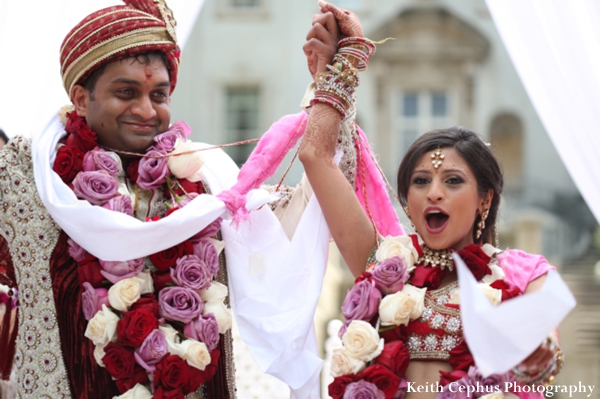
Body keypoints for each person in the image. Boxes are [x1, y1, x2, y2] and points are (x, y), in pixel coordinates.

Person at [0, 1, 364, 398]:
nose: (145, 110)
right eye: (126, 92)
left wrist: (333, 87)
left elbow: (311, 212)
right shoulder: (26, 175)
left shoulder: (204, 182)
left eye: (159, 94)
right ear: (81, 99)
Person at [300, 6, 563, 399]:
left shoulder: (522, 276)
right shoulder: (384, 268)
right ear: (408, 202)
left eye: (453, 181)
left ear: (484, 199)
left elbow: (545, 358)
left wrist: (539, 357)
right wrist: (343, 66)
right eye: (421, 181)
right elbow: (315, 156)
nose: (434, 192)